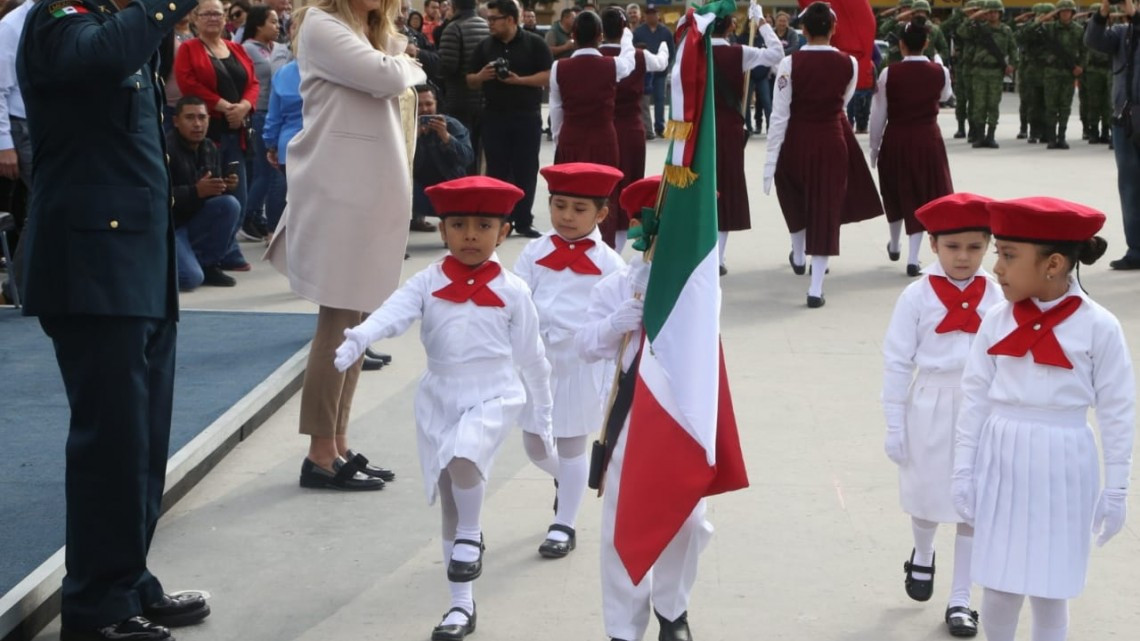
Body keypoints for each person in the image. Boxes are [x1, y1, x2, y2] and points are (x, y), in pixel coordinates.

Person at [17, 0, 215, 635]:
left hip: (136, 261)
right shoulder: (59, 18)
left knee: (142, 440)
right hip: (92, 263)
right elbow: (102, 57)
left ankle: (128, 581)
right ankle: (96, 605)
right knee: (110, 442)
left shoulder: (118, 26)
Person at [333, 176, 553, 641]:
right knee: (450, 499)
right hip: (439, 396)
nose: (471, 235)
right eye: (458, 224)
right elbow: (395, 310)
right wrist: (363, 335)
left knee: (463, 456)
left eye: (483, 225)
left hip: (493, 392)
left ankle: (473, 534)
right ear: (441, 231)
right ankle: (461, 606)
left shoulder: (515, 290)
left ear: (504, 232)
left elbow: (533, 358)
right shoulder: (427, 281)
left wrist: (542, 417)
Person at [953, 196, 1134, 641]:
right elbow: (974, 396)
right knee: (999, 583)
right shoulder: (995, 319)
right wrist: (963, 469)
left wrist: (1117, 487)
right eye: (997, 253)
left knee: (1052, 588)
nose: (996, 268)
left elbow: (1117, 410)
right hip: (1003, 457)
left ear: (1053, 264)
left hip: (1065, 459)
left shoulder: (1100, 326)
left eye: (1009, 256)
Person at [264, 0, 426, 491]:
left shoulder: (364, 31)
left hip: (364, 196)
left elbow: (389, 66)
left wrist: (396, 53)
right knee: (338, 326)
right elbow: (387, 76)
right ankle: (319, 453)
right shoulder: (321, 24)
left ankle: (337, 443)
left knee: (357, 328)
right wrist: (406, 62)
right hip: (340, 194)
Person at [576, 175, 705, 641]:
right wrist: (616, 324)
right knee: (621, 526)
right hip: (631, 419)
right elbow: (585, 346)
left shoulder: (701, 286)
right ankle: (623, 628)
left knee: (689, 520)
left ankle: (673, 611)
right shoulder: (617, 285)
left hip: (686, 416)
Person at [881, 192, 1004, 640]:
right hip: (930, 401)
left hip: (983, 406)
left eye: (975, 247)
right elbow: (897, 360)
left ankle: (961, 599)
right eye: (953, 247)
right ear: (933, 245)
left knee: (975, 503)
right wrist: (895, 422)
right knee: (928, 494)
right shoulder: (915, 297)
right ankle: (923, 551)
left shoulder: (999, 293)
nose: (964, 257)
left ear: (989, 244)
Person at [512, 162, 625, 559]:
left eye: (579, 208)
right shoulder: (534, 250)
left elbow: (616, 317)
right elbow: (516, 298)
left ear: (601, 214)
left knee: (572, 444)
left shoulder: (611, 263)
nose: (567, 216)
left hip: (581, 362)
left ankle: (565, 524)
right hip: (537, 362)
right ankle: (571, 481)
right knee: (535, 445)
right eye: (559, 205)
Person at [764, 1, 884, 308]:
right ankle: (815, 288)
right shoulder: (851, 63)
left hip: (797, 137)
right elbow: (843, 101)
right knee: (826, 209)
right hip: (831, 139)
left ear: (802, 30)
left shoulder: (791, 63)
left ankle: (798, 250)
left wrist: (770, 158)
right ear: (834, 28)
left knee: (792, 193)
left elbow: (779, 114)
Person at [174, 0, 260, 257]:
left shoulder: (237, 48)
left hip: (237, 131)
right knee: (213, 194)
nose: (213, 18)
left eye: (217, 13)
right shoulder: (189, 48)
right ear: (195, 18)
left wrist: (243, 107)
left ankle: (228, 250)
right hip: (207, 134)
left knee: (239, 193)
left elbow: (253, 82)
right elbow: (188, 83)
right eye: (207, 13)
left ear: (226, 19)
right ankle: (213, 254)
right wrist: (224, 107)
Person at [869, 16, 954, 276]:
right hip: (928, 139)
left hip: (896, 138)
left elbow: (878, 114)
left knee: (895, 192)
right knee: (921, 195)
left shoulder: (889, 72)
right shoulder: (939, 71)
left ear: (902, 45)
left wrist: (874, 147)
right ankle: (913, 258)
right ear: (926, 42)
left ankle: (895, 243)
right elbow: (945, 96)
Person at [467, 0, 553, 239]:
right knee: (496, 169)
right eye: (488, 19)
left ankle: (524, 220)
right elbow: (469, 80)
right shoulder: (484, 46)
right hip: (494, 116)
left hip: (526, 115)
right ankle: (499, 218)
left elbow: (548, 76)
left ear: (511, 19)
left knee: (526, 168)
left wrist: (519, 80)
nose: (490, 23)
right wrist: (481, 76)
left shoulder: (535, 43)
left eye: (494, 19)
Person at [549, 11, 635, 247]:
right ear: (600, 36)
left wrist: (559, 139)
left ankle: (568, 243)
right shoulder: (612, 64)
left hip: (571, 136)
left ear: (573, 35)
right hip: (604, 138)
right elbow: (630, 61)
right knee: (604, 195)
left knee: (569, 193)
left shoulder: (559, 67)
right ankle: (605, 249)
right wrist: (626, 34)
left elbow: (556, 110)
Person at [710, 4, 784, 275]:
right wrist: (762, 23)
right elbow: (778, 53)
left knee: (702, 184)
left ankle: (701, 255)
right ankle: (718, 256)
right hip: (729, 127)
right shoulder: (740, 52)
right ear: (731, 26)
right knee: (727, 185)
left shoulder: (693, 52)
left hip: (700, 127)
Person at [599, 5, 667, 251]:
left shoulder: (595, 55)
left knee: (604, 187)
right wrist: (664, 45)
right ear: (626, 28)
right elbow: (661, 63)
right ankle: (620, 245)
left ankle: (601, 243)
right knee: (628, 186)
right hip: (631, 129)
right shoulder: (638, 56)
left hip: (603, 129)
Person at [1086, 0, 1140, 269]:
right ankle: (1136, 250)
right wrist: (1103, 10)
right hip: (1125, 120)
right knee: (1130, 188)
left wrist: (1136, 17)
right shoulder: (1121, 33)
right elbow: (1093, 40)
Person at [169, 97, 243, 291]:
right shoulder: (164, 149)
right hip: (170, 227)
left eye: (202, 118)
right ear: (176, 121)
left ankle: (209, 264)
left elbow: (211, 190)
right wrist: (195, 191)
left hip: (194, 221)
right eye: (190, 118)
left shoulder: (209, 147)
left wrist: (224, 185)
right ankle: (162, 264)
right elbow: (157, 197)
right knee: (190, 279)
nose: (197, 124)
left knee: (229, 204)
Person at [242, 5, 287, 242]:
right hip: (260, 112)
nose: (277, 26)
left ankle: (257, 216)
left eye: (278, 22)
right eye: (272, 22)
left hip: (276, 111)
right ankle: (248, 215)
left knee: (270, 171)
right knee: (265, 170)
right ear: (258, 24)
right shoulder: (248, 49)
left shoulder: (277, 49)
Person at [957, 0, 1017, 149]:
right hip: (979, 71)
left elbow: (1013, 49)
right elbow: (961, 31)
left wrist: (1013, 65)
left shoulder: (1006, 30)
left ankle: (991, 136)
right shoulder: (978, 28)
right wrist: (974, 16)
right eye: (989, 12)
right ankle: (980, 136)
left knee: (993, 104)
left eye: (995, 12)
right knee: (979, 105)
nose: (992, 15)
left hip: (996, 71)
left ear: (1000, 13)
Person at [1026, 0, 1085, 148]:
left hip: (1068, 72)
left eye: (1068, 11)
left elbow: (1085, 51)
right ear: (1057, 13)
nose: (1065, 14)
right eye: (1062, 11)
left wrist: (1081, 66)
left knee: (1065, 106)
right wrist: (1041, 20)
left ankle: (1062, 136)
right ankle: (1051, 138)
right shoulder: (1049, 28)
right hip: (1051, 72)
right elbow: (1026, 33)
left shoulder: (1078, 30)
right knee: (1051, 106)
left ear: (1072, 13)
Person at [438, 0, 489, 168]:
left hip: (459, 99)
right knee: (477, 153)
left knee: (460, 153)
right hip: (483, 100)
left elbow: (447, 66)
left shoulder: (453, 28)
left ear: (454, 6)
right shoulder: (486, 26)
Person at [413, 84, 474, 219]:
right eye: (419, 105)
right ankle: (414, 220)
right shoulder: (405, 127)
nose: (424, 109)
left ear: (436, 104)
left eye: (429, 104)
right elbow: (394, 165)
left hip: (448, 185)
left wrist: (446, 137)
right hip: (417, 189)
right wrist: (413, 139)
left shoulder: (452, 125)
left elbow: (468, 158)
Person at [633, 3, 673, 138]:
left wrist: (666, 66)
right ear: (645, 16)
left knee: (660, 99)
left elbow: (671, 51)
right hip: (644, 73)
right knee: (643, 101)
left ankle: (660, 127)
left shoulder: (665, 31)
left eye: (653, 13)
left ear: (658, 15)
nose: (651, 16)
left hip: (660, 73)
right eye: (648, 14)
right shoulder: (638, 32)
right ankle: (646, 128)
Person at [1082, 3, 1113, 145]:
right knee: (1094, 102)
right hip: (1093, 70)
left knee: (1109, 103)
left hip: (1109, 68)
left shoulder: (1115, 29)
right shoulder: (1089, 29)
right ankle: (1093, 131)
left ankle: (1106, 131)